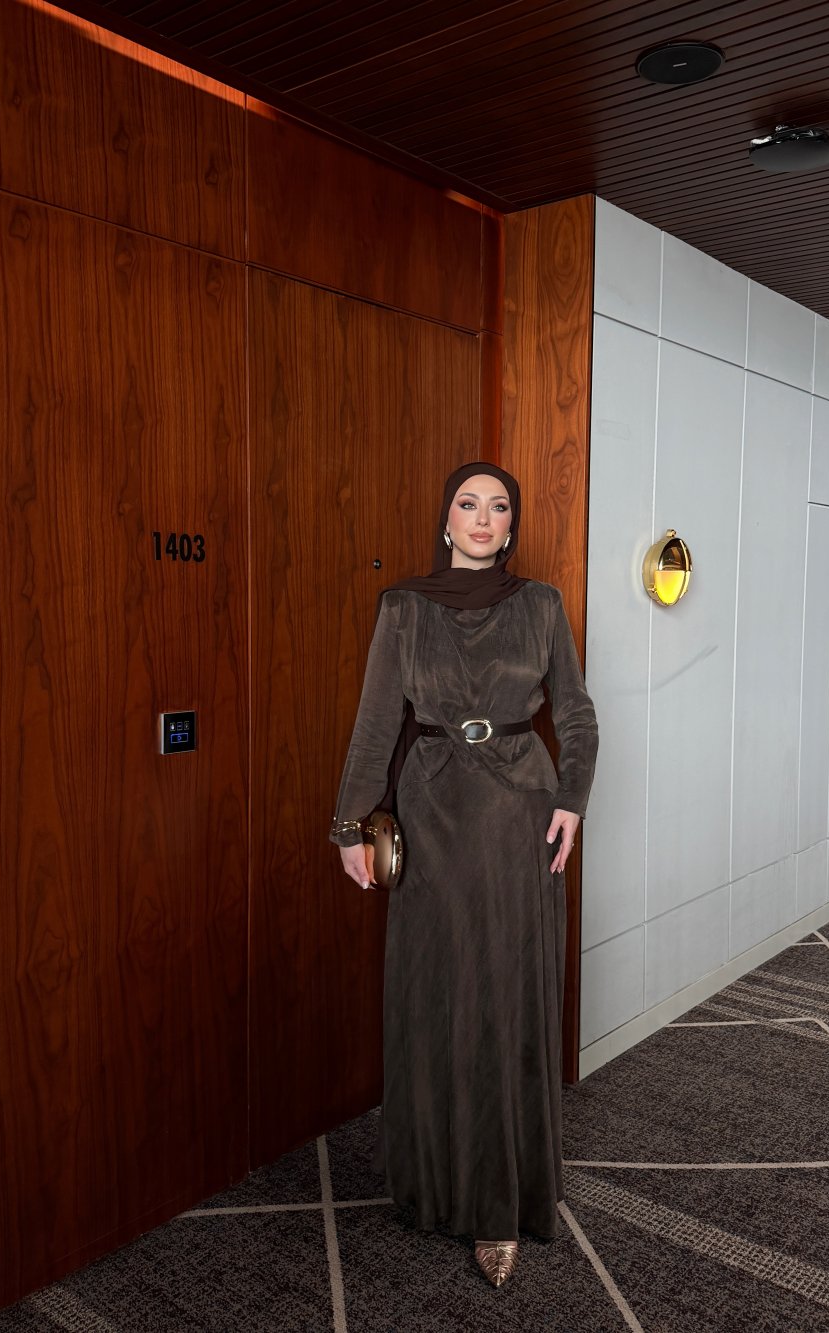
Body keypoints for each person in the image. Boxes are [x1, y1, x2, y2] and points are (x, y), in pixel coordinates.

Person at [329, 462, 598, 1287]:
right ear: (446, 520)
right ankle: (431, 1185)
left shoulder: (541, 605)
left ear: (511, 525)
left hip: (520, 815)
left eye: (499, 506)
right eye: (468, 504)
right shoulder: (403, 607)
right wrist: (348, 824)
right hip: (433, 815)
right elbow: (377, 722)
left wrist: (573, 798)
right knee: (437, 996)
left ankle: (497, 1205)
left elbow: (577, 713)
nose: (483, 518)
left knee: (503, 999)